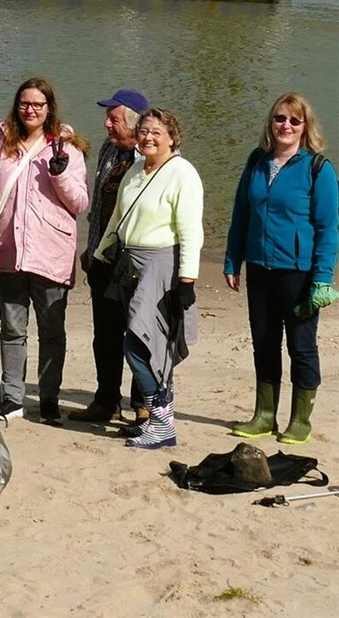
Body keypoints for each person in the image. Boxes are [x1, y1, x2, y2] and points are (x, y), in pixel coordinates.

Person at [0, 78, 90, 425]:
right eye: (25, 103)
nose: (31, 110)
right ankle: (11, 399)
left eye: (38, 104)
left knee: (52, 330)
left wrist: (61, 174)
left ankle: (50, 399)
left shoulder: (67, 147)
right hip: (6, 252)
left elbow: (79, 203)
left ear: (49, 108)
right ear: (16, 105)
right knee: (11, 329)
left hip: (50, 253)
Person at [224, 93, 338, 445]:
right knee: (264, 342)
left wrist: (322, 278)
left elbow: (328, 228)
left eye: (294, 121)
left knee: (301, 346)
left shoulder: (318, 168)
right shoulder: (256, 161)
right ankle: (264, 415)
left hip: (299, 273)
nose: (285, 126)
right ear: (270, 123)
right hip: (260, 268)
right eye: (279, 119)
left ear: (305, 127)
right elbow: (241, 214)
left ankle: (300, 419)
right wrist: (232, 260)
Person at [95, 108, 203, 450]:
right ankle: (159, 422)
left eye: (156, 131)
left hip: (161, 264)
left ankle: (160, 419)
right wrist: (101, 252)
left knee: (139, 344)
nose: (148, 137)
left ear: (172, 137)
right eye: (143, 130)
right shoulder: (136, 170)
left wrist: (186, 281)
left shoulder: (182, 173)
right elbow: (118, 216)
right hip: (130, 263)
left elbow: (191, 232)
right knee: (153, 346)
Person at [69, 88, 150, 425]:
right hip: (104, 258)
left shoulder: (154, 156)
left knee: (142, 333)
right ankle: (106, 400)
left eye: (113, 119)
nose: (106, 124)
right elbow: (98, 207)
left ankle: (144, 402)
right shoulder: (108, 150)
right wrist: (91, 247)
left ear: (133, 124)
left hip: (139, 262)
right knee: (105, 334)